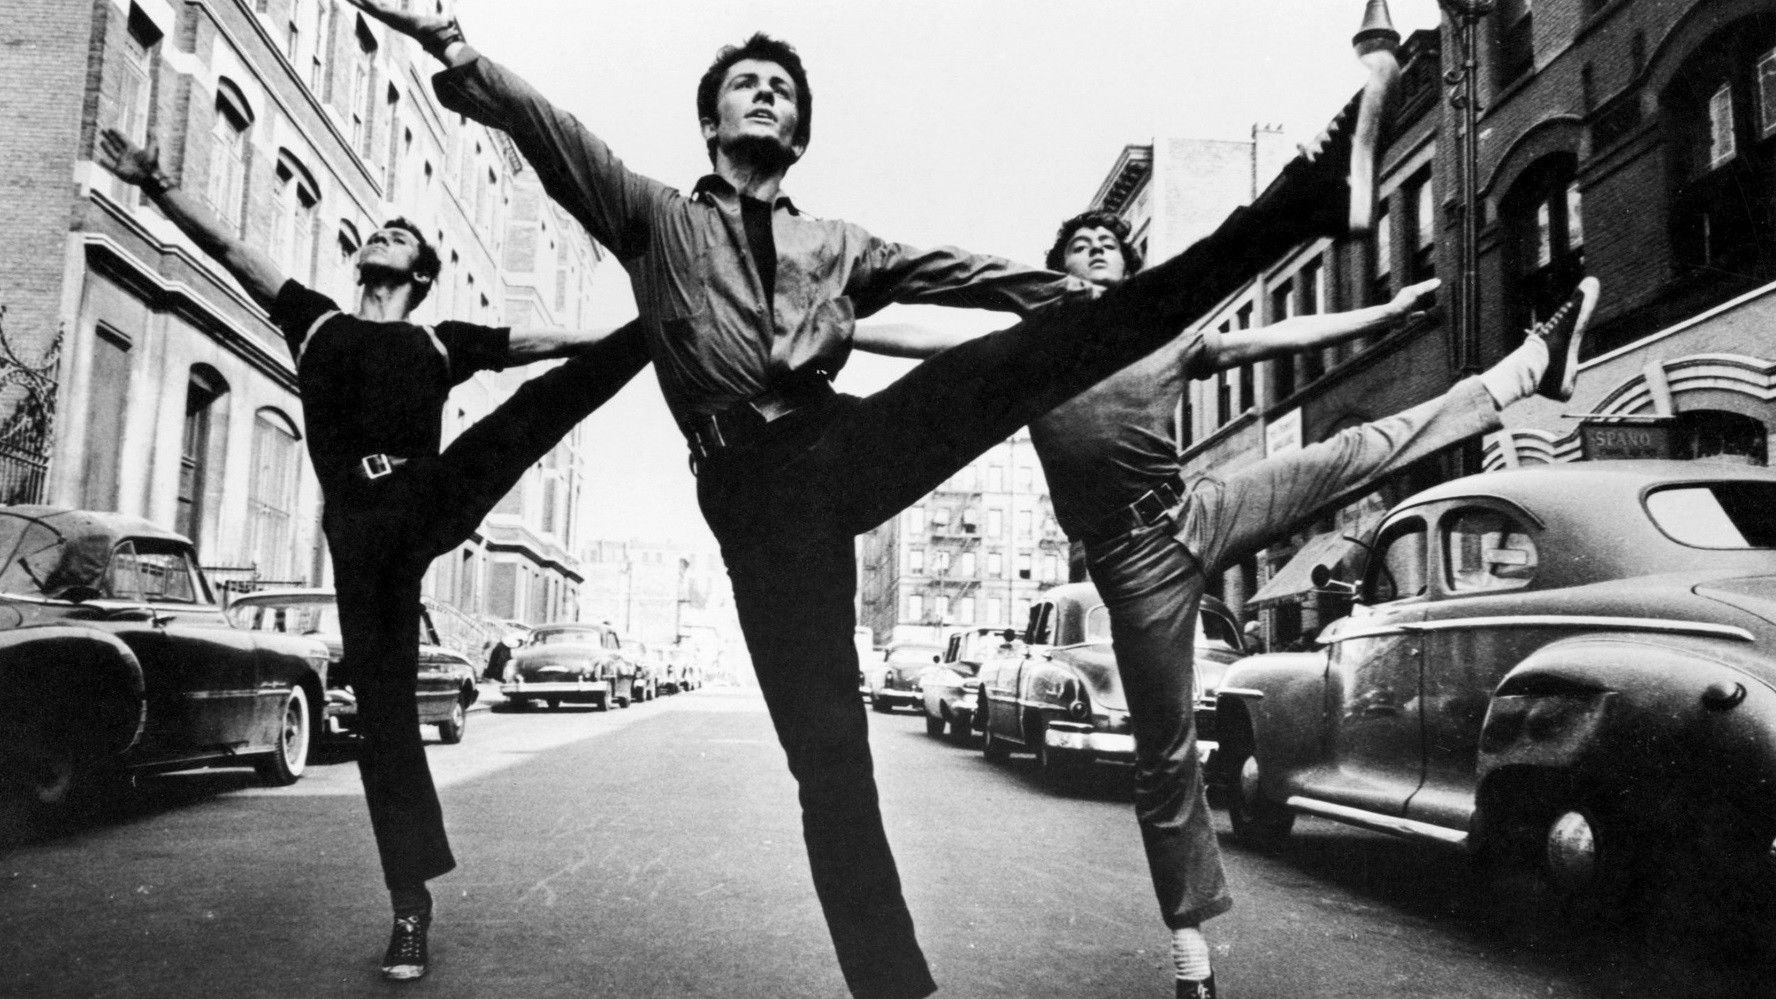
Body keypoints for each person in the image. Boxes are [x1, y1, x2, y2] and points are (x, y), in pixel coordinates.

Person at [347, 5, 1404, 996]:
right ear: (710, 121)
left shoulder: (836, 243)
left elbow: (965, 273)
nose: (766, 95)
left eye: (782, 90)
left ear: (800, 135)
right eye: (746, 85)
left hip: (839, 443)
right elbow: (551, 131)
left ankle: (1311, 195)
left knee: (1035, 351)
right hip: (753, 498)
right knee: (831, 763)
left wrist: (1078, 296)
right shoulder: (653, 217)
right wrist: (453, 44)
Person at [97, 129, 651, 982]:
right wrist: (158, 184)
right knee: (387, 718)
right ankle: (410, 906)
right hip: (360, 533)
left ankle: (663, 330)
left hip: (428, 495)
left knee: (534, 411)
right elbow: (234, 250)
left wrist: (618, 335)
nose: (385, 237)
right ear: (365, 263)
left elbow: (537, 343)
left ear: (420, 276)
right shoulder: (317, 322)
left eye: (402, 238)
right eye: (380, 234)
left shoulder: (438, 341)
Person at [1027, 210, 1596, 998]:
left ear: (1130, 271)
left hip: (1196, 508)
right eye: (1078, 247)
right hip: (1132, 563)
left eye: (1108, 247)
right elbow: (927, 347)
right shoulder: (1029, 355)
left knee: (1347, 454)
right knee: (1165, 755)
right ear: (1057, 269)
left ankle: (1529, 369)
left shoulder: (1164, 338)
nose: (1094, 253)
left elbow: (1281, 335)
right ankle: (1192, 957)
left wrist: (1383, 311)